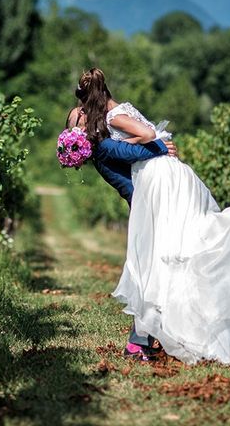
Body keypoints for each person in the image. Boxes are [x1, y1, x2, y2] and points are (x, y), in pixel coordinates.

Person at [75, 67, 230, 365]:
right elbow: (147, 139)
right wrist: (156, 146)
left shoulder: (110, 124)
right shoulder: (113, 120)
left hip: (163, 183)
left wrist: (148, 145)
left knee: (163, 256)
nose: (80, 121)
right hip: (172, 178)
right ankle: (148, 337)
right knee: (175, 251)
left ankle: (149, 339)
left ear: (88, 103)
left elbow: (145, 137)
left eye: (81, 113)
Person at [65, 106, 177, 361]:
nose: (85, 112)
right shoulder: (103, 148)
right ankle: (137, 344)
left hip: (148, 208)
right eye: (79, 115)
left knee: (156, 272)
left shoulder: (104, 147)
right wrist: (162, 146)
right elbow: (130, 151)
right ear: (79, 130)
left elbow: (129, 146)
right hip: (147, 212)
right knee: (150, 274)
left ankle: (147, 339)